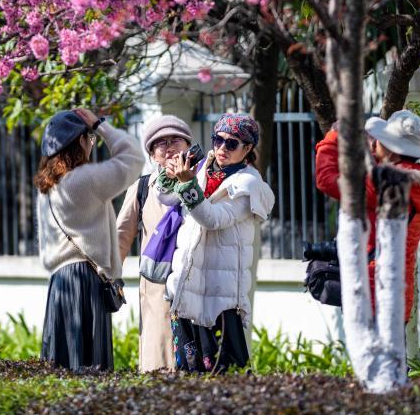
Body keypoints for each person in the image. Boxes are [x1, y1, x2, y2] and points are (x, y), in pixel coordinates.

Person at [162, 113, 274, 374]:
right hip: (188, 287)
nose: (222, 148)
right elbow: (164, 197)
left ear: (248, 148)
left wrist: (186, 183)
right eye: (218, 140)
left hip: (221, 296)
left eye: (232, 143)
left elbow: (212, 219)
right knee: (188, 373)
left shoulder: (248, 184)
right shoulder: (202, 169)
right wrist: (171, 174)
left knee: (224, 374)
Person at [314, 110, 420, 323]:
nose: (376, 142)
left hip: (370, 292)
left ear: (393, 150)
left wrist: (333, 137)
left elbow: (326, 179)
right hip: (398, 295)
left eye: (382, 140)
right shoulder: (417, 183)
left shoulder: (383, 184)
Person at [36, 108, 145, 372]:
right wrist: (100, 126)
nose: (92, 143)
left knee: (63, 367)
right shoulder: (84, 180)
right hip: (84, 280)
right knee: (90, 369)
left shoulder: (47, 189)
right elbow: (134, 157)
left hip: (60, 282)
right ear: (80, 141)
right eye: (90, 138)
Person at [115, 115, 193, 372]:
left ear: (188, 145)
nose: (169, 147)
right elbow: (121, 236)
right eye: (161, 143)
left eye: (175, 140)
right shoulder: (142, 188)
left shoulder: (204, 182)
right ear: (151, 154)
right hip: (157, 288)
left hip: (196, 282)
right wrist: (110, 276)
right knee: (158, 362)